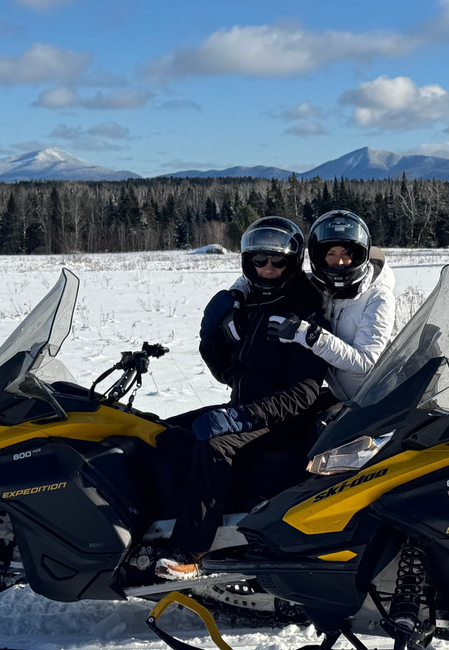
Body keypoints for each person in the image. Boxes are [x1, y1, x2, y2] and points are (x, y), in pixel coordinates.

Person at [157, 216, 329, 580]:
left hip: (285, 419)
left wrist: (243, 418)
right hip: (246, 407)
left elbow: (306, 390)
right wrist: (211, 337)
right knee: (163, 432)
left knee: (215, 447)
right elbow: (232, 372)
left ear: (292, 262)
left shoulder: (304, 306)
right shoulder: (252, 301)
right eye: (259, 261)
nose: (267, 269)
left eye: (277, 261)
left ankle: (190, 551)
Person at [266, 209, 396, 404]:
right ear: (319, 257)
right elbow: (274, 279)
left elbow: (366, 361)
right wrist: (237, 293)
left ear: (360, 255)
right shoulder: (322, 288)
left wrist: (309, 335)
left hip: (379, 401)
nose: (340, 262)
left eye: (346, 253)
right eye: (331, 254)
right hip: (345, 399)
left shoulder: (378, 296)